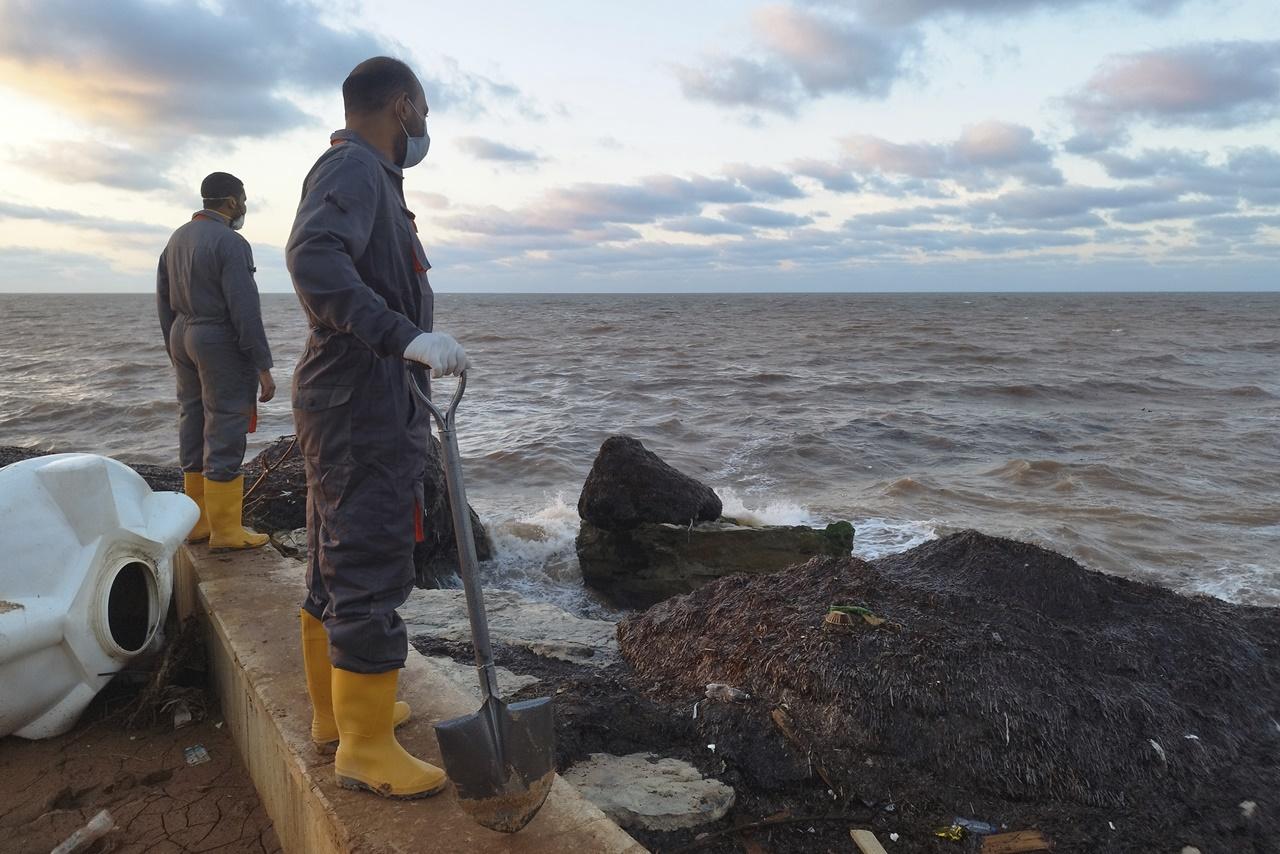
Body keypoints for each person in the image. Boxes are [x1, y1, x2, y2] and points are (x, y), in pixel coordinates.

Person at [286, 56, 468, 800]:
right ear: (402, 105)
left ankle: (338, 713)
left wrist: (407, 341)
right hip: (360, 405)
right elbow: (313, 259)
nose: (424, 125)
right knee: (367, 561)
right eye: (422, 110)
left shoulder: (368, 178)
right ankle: (363, 747)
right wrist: (402, 336)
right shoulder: (355, 170)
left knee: (334, 555)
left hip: (355, 400)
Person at [158, 172, 275, 551]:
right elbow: (244, 308)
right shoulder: (231, 242)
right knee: (226, 421)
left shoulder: (176, 238)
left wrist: (172, 346)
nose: (244, 206)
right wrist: (262, 365)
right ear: (230, 201)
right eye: (242, 199)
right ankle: (226, 532)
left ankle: (197, 523)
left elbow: (162, 299)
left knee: (192, 421)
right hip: (218, 338)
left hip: (181, 334)